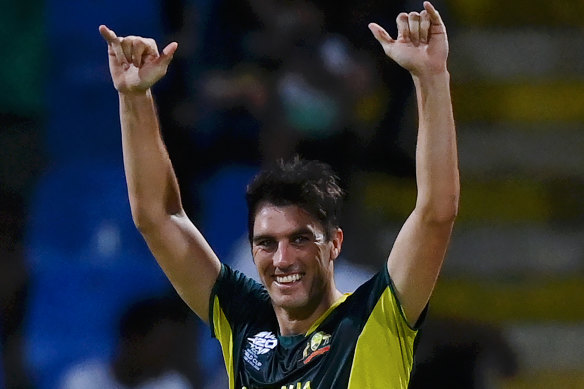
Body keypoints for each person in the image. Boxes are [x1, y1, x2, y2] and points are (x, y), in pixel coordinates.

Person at [98, 1, 458, 387]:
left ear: (334, 243)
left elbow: (435, 212)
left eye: (299, 239)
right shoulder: (244, 319)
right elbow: (158, 218)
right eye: (267, 243)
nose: (282, 258)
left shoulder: (375, 316)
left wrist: (431, 78)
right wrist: (135, 97)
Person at [59, 296, 196, 389]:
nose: (168, 356)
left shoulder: (173, 385)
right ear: (134, 340)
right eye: (163, 347)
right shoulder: (82, 381)